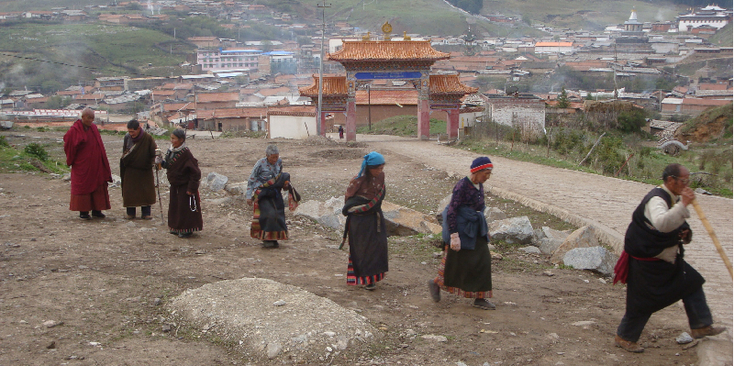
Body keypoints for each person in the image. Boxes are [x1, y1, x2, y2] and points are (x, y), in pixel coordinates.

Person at [612, 163, 726, 353]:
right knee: (641, 302)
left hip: (665, 260)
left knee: (692, 282)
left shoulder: (671, 198)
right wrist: (684, 205)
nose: (686, 185)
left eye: (688, 181)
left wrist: (684, 232)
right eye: (684, 181)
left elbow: (673, 223)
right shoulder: (656, 200)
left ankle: (701, 325)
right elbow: (662, 223)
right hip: (647, 263)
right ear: (671, 180)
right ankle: (624, 337)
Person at [428, 157, 495, 310]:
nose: (487, 177)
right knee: (454, 260)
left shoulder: (480, 185)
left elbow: (479, 209)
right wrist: (454, 235)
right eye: (485, 173)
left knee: (483, 259)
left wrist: (486, 230)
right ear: (476, 172)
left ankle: (480, 297)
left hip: (475, 228)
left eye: (489, 174)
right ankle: (437, 283)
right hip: (460, 228)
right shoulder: (462, 186)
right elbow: (452, 210)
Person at [342, 151, 388, 291]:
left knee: (378, 246)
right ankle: (365, 279)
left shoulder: (381, 176)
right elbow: (349, 202)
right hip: (360, 221)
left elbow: (381, 193)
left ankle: (374, 276)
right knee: (363, 249)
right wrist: (364, 207)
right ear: (369, 167)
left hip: (375, 218)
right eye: (377, 168)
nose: (379, 171)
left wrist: (373, 206)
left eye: (382, 168)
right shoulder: (357, 180)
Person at [246, 145, 300, 248]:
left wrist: (285, 184)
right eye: (273, 157)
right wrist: (249, 196)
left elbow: (279, 177)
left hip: (275, 192)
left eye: (277, 157)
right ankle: (266, 238)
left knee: (278, 214)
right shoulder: (260, 164)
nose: (275, 159)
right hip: (263, 193)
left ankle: (274, 238)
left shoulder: (279, 162)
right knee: (268, 214)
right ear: (267, 156)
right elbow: (251, 180)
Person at [63, 108, 112, 220]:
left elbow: (99, 144)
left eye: (92, 118)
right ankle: (84, 211)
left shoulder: (93, 128)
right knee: (83, 187)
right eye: (88, 118)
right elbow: (69, 145)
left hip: (96, 164)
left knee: (98, 185)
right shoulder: (74, 130)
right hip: (82, 165)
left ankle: (97, 210)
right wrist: (73, 160)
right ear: (83, 117)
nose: (90, 120)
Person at [155, 129, 202, 238]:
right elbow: (169, 165)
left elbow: (195, 173)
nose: (171, 141)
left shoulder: (186, 154)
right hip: (175, 185)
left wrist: (191, 188)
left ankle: (186, 230)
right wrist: (161, 162)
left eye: (173, 139)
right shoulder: (172, 151)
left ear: (181, 140)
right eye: (171, 138)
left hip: (185, 186)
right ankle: (176, 227)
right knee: (176, 207)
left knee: (184, 208)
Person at [120, 119, 157, 219]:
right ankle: (130, 213)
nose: (131, 134)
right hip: (130, 169)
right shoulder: (127, 138)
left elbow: (154, 152)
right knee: (129, 192)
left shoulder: (147, 138)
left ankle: (146, 213)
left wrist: (155, 162)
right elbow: (125, 152)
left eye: (133, 131)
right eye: (129, 131)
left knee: (146, 191)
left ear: (139, 129)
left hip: (144, 170)